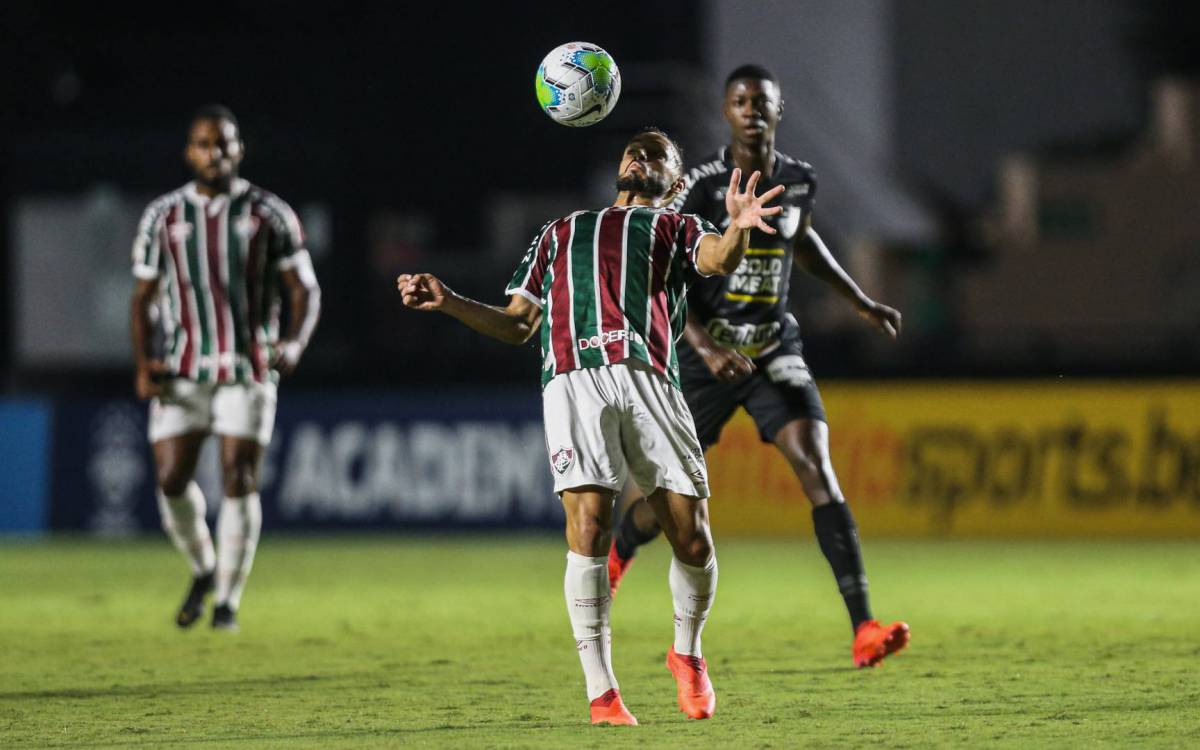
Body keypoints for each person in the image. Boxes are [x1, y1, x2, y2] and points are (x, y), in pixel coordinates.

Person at [397, 128, 783, 725]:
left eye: (657, 154)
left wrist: (736, 226)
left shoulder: (677, 228)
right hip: (573, 381)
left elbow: (717, 258)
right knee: (589, 526)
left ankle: (687, 653)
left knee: (693, 537)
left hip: (650, 378)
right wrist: (449, 300)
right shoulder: (560, 231)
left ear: (676, 183)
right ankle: (602, 692)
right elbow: (517, 324)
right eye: (635, 149)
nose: (640, 156)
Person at [608, 66, 910, 669]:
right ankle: (619, 548)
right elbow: (661, 279)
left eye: (761, 102)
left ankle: (864, 627)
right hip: (705, 357)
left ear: (779, 111)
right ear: (726, 112)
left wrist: (859, 301)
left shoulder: (799, 180)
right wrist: (704, 346)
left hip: (773, 349)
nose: (751, 110)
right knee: (665, 504)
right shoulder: (699, 187)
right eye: (740, 101)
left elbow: (802, 241)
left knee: (817, 466)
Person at [130, 104, 321, 632]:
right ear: (188, 151)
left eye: (223, 143)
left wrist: (295, 343)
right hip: (182, 368)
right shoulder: (164, 216)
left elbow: (304, 288)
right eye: (203, 144)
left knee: (238, 478)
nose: (213, 153)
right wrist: (144, 360)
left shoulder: (269, 213)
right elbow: (143, 297)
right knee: (171, 481)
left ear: (239, 149)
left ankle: (227, 605)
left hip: (248, 366)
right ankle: (204, 568)